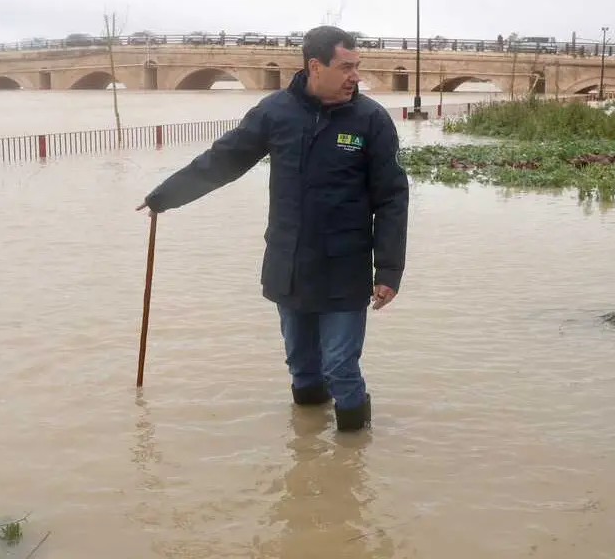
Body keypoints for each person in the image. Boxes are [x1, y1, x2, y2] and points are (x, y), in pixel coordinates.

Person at [136, 26, 410, 431]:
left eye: (357, 66)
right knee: (301, 365)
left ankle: (353, 450)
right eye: (346, 67)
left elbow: (392, 198)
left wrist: (388, 269)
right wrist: (165, 196)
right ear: (315, 66)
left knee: (340, 366)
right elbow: (225, 160)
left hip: (345, 266)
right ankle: (308, 449)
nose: (356, 76)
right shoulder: (275, 112)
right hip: (289, 262)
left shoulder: (371, 120)